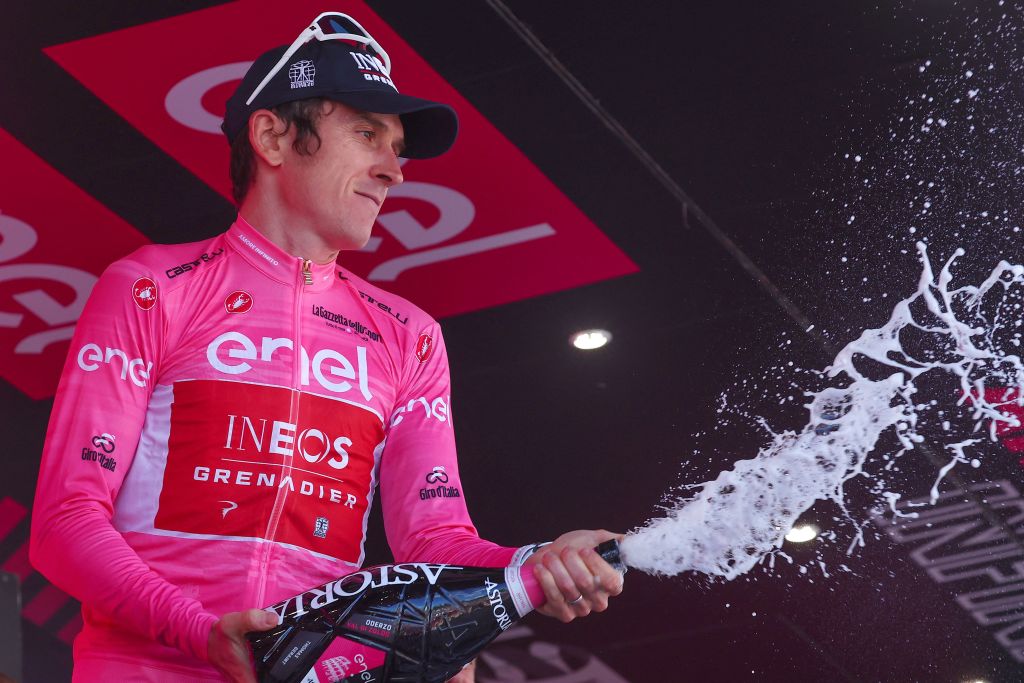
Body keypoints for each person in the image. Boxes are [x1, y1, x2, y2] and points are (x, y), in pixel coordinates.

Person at [30, 12, 622, 683]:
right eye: (368, 134)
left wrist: (539, 561)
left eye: (398, 146)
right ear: (273, 136)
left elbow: (436, 541)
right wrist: (199, 634)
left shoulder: (410, 334)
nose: (394, 170)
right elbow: (64, 520)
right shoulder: (151, 288)